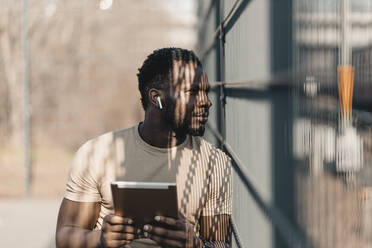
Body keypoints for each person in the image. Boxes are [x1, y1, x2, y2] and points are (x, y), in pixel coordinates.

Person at [56, 47, 232, 248]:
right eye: (192, 92)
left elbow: (221, 244)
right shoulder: (97, 154)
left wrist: (195, 244)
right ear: (156, 97)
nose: (206, 102)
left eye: (205, 92)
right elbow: (64, 235)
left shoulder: (215, 162)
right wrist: (100, 239)